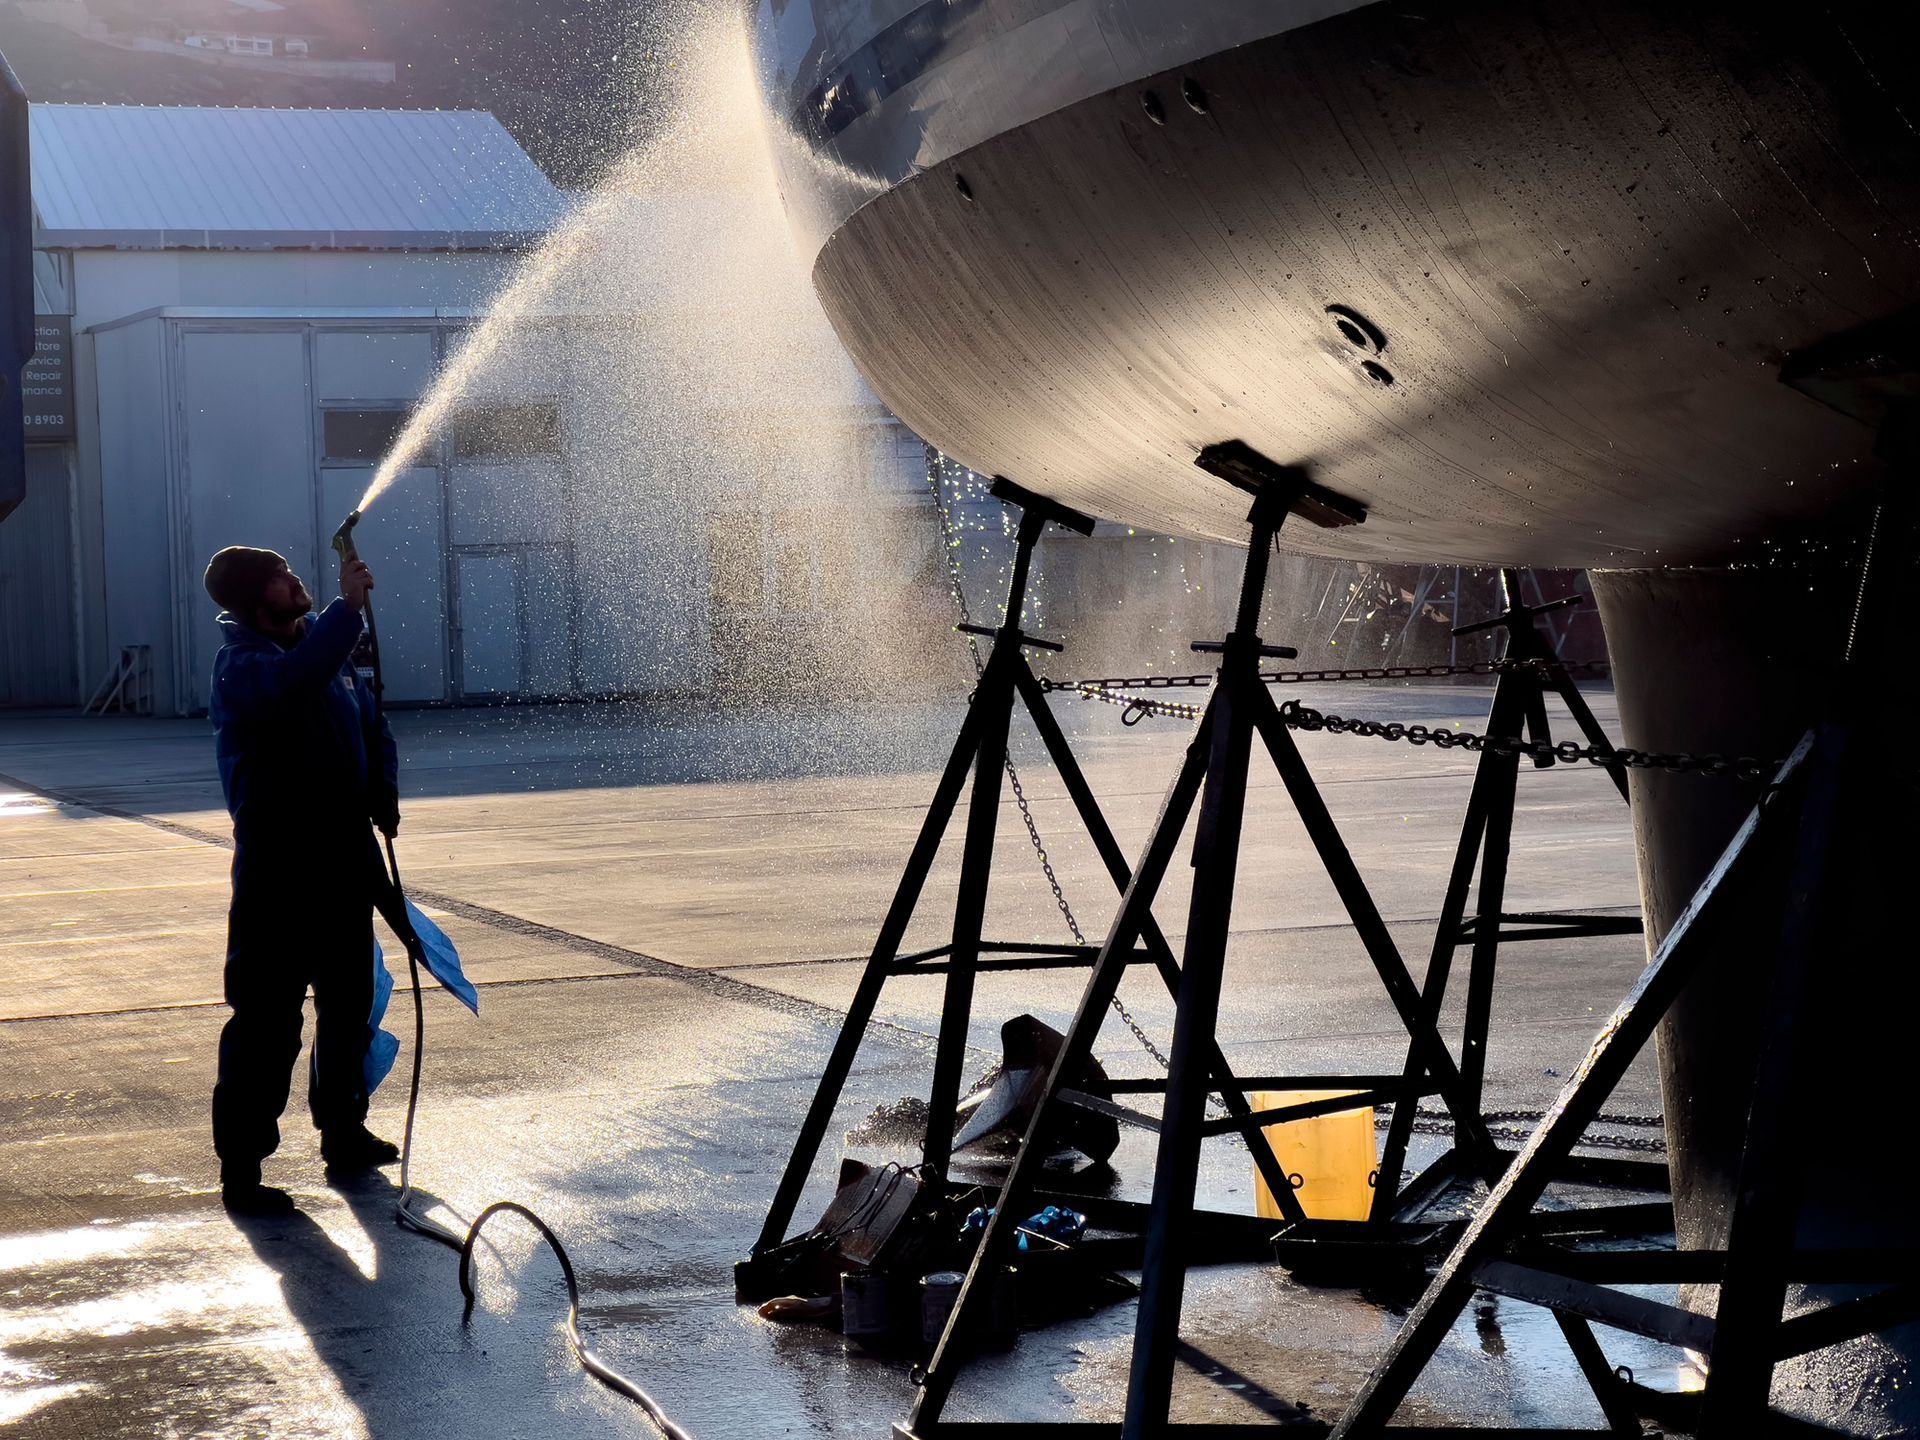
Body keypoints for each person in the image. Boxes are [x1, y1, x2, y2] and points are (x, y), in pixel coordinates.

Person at [203, 544, 404, 1216]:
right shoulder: (244, 666)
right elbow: (296, 685)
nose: (298, 583)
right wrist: (347, 610)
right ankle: (242, 1169)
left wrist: (384, 788)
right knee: (266, 1023)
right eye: (284, 580)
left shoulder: (326, 650)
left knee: (347, 1009)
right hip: (277, 874)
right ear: (259, 601)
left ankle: (343, 1134)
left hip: (344, 864)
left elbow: (373, 724)